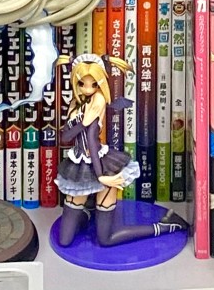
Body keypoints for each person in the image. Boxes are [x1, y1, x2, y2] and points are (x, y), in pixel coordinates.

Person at [56, 52, 187, 247]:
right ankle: (88, 213)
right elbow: (65, 138)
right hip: (80, 166)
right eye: (82, 83)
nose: (87, 89)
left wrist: (101, 177)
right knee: (64, 240)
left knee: (105, 239)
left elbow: (91, 140)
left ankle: (166, 225)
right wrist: (81, 123)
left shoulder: (98, 100)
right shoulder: (76, 103)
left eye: (93, 84)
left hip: (102, 167)